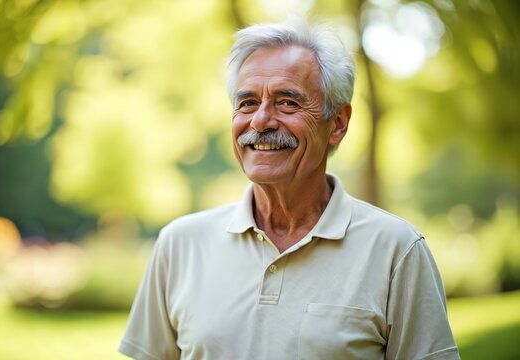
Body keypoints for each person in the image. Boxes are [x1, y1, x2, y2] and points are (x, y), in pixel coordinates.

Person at [118, 19, 460, 360]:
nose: (260, 121)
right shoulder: (179, 244)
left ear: (337, 124)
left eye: (287, 102)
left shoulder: (396, 250)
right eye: (248, 103)